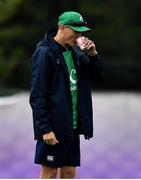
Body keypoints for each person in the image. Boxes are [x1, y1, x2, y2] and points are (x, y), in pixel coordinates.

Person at [29, 11, 103, 179]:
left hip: (72, 127)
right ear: (61, 28)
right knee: (50, 173)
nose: (79, 35)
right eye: (75, 31)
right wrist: (45, 129)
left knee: (69, 173)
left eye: (81, 31)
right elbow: (37, 96)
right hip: (53, 128)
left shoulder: (76, 53)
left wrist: (92, 55)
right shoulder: (44, 53)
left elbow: (97, 77)